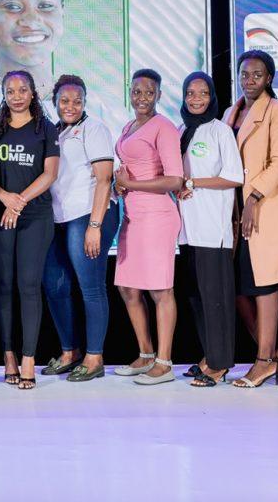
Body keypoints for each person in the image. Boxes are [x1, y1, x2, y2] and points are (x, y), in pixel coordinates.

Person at [223, 50, 278, 388]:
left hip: (262, 206)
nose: (250, 80)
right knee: (237, 287)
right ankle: (269, 354)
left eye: (257, 74)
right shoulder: (231, 111)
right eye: (245, 74)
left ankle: (265, 359)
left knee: (264, 283)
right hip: (232, 210)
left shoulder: (276, 110)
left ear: (269, 78)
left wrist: (254, 197)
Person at [41, 75, 119, 383]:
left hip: (89, 215)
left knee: (91, 287)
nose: (70, 106)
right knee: (55, 285)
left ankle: (94, 357)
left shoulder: (94, 129)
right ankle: (69, 352)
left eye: (77, 100)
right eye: (64, 100)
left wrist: (94, 226)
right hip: (59, 218)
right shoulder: (54, 131)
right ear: (55, 102)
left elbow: (104, 178)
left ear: (85, 102)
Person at [0, 71, 60, 389]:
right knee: (4, 286)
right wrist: (4, 197)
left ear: (32, 93)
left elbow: (50, 173)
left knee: (29, 286)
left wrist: (19, 202)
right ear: (4, 94)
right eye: (10, 90)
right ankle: (9, 355)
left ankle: (29, 357)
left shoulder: (46, 128)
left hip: (35, 216)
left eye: (22, 90)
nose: (16, 96)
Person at [113, 69, 185, 386]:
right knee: (128, 288)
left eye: (149, 92)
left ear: (158, 95)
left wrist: (130, 183)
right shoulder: (129, 126)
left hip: (157, 216)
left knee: (160, 289)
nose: (142, 97)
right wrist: (120, 186)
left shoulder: (164, 127)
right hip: (132, 215)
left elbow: (175, 180)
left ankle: (164, 363)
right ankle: (145, 355)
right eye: (136, 91)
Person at [175, 72, 243, 388]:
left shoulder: (221, 131)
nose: (196, 99)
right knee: (196, 297)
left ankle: (220, 363)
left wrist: (192, 182)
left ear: (212, 96)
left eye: (203, 93)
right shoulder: (181, 131)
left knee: (216, 298)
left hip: (212, 228)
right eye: (190, 93)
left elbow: (234, 176)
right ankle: (208, 356)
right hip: (187, 230)